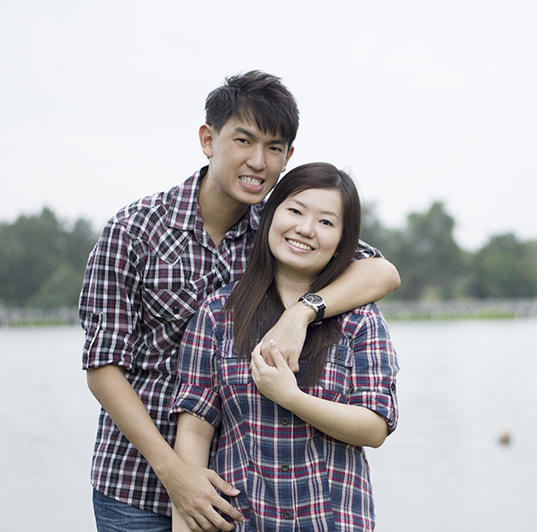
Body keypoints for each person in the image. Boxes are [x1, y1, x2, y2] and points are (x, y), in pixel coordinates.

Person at [79, 72, 400, 532]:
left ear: (288, 156)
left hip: (240, 492)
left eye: (273, 148)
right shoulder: (133, 231)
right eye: (243, 140)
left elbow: (382, 272)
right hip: (137, 481)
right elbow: (103, 367)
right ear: (208, 140)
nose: (257, 161)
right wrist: (177, 475)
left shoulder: (276, 233)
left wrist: (300, 312)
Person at [171, 162, 399, 532]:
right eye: (294, 210)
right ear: (268, 215)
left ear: (344, 240)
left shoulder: (361, 320)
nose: (305, 229)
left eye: (326, 222)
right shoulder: (217, 315)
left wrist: (291, 398)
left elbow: (374, 427)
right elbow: (194, 437)